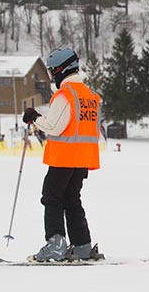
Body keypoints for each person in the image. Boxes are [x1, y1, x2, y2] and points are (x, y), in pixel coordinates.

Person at [22, 47, 103, 262]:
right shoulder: (90, 96)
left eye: (52, 71)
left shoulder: (66, 94)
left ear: (61, 70)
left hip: (64, 157)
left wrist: (34, 117)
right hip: (83, 158)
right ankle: (82, 245)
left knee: (52, 197)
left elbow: (54, 126)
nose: (52, 76)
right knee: (72, 199)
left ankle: (55, 244)